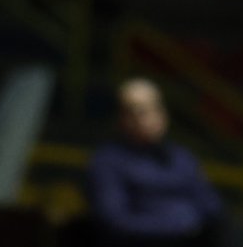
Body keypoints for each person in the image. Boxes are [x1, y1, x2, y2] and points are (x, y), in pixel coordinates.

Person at [88, 79, 224, 247]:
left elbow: (211, 206)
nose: (146, 118)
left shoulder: (181, 157)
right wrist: (173, 226)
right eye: (137, 112)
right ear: (122, 117)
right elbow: (113, 221)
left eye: (153, 108)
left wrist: (194, 224)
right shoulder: (108, 160)